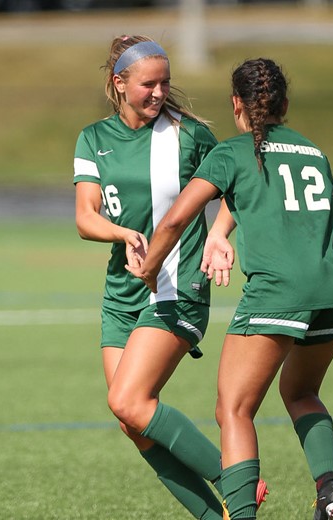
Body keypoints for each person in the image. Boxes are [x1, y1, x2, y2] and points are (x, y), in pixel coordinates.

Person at [128, 58, 333, 520]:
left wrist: (150, 268)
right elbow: (324, 222)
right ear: (284, 105)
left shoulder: (231, 153)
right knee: (301, 393)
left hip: (279, 291)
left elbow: (175, 218)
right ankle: (329, 488)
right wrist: (221, 234)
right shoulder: (314, 152)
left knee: (233, 408)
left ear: (237, 104)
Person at [73, 35, 267, 519]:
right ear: (119, 83)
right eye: (148, 84)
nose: (159, 93)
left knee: (129, 399)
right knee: (131, 420)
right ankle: (216, 514)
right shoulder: (93, 139)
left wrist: (220, 234)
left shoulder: (189, 135)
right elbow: (84, 216)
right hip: (122, 293)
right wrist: (120, 233)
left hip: (177, 288)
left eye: (164, 83)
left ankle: (235, 481)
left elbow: (237, 187)